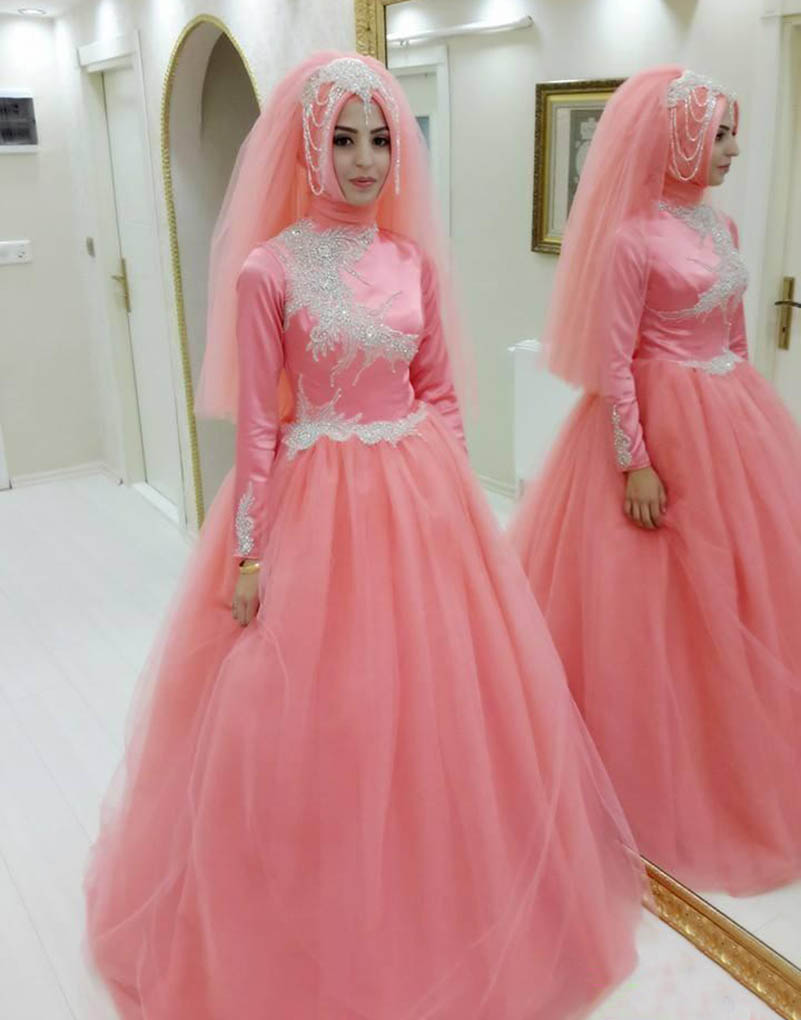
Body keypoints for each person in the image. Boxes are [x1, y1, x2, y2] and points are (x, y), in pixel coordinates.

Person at [85, 52, 643, 1020]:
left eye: (381, 138)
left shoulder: (410, 261)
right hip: (317, 502)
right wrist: (249, 552)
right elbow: (259, 426)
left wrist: (459, 509)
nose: (364, 160)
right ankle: (316, 921)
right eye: (342, 139)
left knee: (443, 709)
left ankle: (450, 899)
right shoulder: (268, 270)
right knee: (324, 713)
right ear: (308, 146)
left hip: (419, 495)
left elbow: (439, 392)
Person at [511, 66, 801, 895]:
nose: (733, 149)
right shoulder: (631, 238)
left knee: (740, 590)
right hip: (654, 424)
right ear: (678, 138)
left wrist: (752, 419)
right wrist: (634, 460)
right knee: (648, 607)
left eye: (730, 133)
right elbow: (613, 362)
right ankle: (646, 775)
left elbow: (734, 336)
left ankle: (737, 758)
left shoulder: (723, 224)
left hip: (730, 418)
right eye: (719, 134)